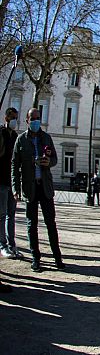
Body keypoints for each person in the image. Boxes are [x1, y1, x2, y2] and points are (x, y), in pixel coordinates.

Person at [12, 108, 63, 272]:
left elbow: (54, 158)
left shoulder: (46, 137)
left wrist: (49, 161)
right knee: (31, 224)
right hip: (30, 187)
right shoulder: (21, 140)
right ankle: (36, 258)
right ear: (27, 120)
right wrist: (15, 187)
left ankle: (57, 258)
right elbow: (14, 165)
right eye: (32, 118)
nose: (36, 121)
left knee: (50, 223)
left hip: (45, 187)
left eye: (38, 118)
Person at [0, 107, 21, 259]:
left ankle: (11, 244)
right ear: (6, 118)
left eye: (16, 117)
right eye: (12, 117)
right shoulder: (1, 133)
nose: (14, 120)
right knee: (2, 215)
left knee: (11, 215)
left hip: (12, 181)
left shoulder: (15, 136)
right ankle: (2, 245)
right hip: (1, 180)